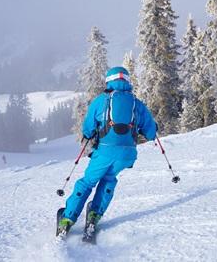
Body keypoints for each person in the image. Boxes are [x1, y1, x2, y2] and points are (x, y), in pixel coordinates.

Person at [57, 66, 157, 237]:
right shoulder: (137, 103)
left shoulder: (101, 101)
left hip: (105, 151)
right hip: (127, 155)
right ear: (127, 80)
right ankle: (94, 216)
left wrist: (90, 134)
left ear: (109, 81)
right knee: (109, 179)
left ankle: (67, 219)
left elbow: (88, 128)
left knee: (87, 183)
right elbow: (151, 132)